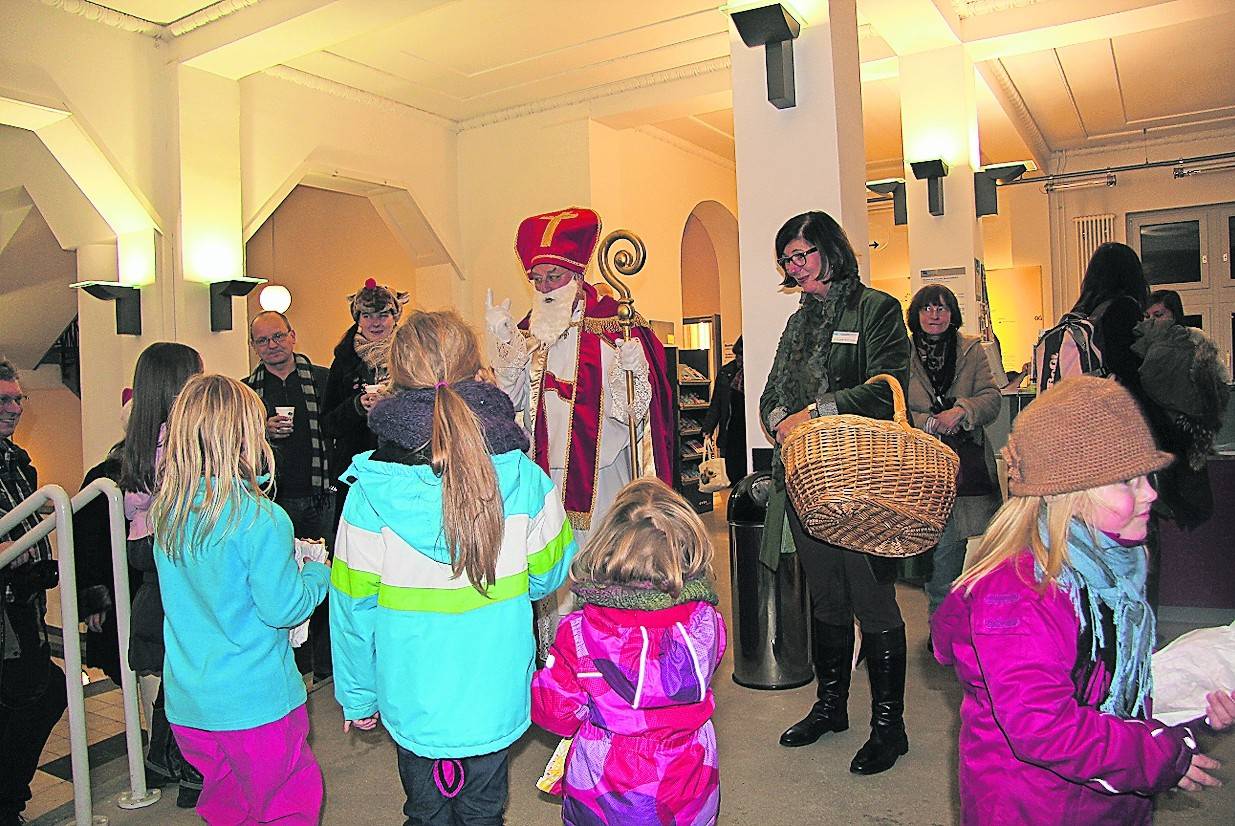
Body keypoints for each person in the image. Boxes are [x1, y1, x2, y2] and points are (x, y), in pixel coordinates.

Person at [931, 376, 1232, 824]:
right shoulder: (1019, 594)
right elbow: (1044, 728)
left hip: (1107, 799)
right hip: (1036, 808)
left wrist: (1187, 711)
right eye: (1127, 482)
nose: (1151, 493)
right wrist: (1156, 756)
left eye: (1147, 477)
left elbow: (1109, 691)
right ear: (1068, 495)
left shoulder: (1113, 569)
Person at [330, 310, 577, 825]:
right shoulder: (525, 477)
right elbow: (550, 575)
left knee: (423, 811)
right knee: (485, 811)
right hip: (493, 688)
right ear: (476, 372)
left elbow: (352, 607)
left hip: (411, 692)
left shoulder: (370, 491)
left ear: (394, 378)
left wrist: (357, 693)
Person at [758, 210, 912, 775]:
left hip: (862, 479)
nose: (796, 267)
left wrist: (815, 412)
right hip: (806, 481)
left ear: (831, 250)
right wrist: (777, 419)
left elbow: (886, 389)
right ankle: (831, 707)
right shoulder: (797, 323)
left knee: (872, 601)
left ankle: (889, 728)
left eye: (803, 255)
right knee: (826, 599)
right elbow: (770, 394)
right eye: (788, 259)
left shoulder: (876, 309)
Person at [152, 374, 330, 826]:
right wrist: (316, 573)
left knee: (227, 804)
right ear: (246, 437)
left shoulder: (169, 516)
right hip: (256, 702)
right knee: (286, 803)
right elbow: (284, 608)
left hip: (191, 703)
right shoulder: (263, 519)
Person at [531, 478, 727, 826]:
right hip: (690, 772)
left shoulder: (579, 633)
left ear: (606, 547)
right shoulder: (706, 620)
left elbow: (556, 712)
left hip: (608, 781)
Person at [120, 342, 204, 806]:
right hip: (173, 544)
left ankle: (161, 757)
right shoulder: (181, 438)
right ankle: (192, 769)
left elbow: (132, 503)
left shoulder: (138, 435)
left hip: (144, 545)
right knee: (189, 660)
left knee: (175, 663)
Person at [244, 310, 335, 680]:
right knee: (280, 580)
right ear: (254, 347)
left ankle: (325, 664)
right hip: (273, 502)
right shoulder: (247, 393)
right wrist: (260, 431)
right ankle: (294, 664)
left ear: (292, 336)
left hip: (321, 495)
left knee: (324, 577)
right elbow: (239, 446)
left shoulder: (323, 380)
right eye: (263, 340)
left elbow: (340, 427)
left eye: (278, 336)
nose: (272, 345)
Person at [905, 285, 1001, 624]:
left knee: (949, 546)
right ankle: (942, 619)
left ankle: (942, 623)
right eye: (928, 308)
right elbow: (890, 402)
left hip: (961, 464)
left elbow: (992, 398)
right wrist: (928, 422)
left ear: (953, 314)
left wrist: (961, 411)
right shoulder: (901, 352)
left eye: (942, 308)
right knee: (925, 544)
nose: (935, 315)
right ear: (916, 314)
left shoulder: (972, 350)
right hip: (918, 464)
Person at [0, 359, 68, 826]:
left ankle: (9, 802)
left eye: (18, 398)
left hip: (24, 602)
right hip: (5, 610)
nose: (15, 408)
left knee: (42, 693)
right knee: (41, 694)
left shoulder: (16, 459)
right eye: (3, 400)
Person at [1132, 289, 1230, 529]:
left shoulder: (1193, 344)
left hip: (1186, 432)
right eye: (1148, 316)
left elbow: (1215, 387)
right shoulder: (1139, 349)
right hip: (1160, 435)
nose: (1152, 322)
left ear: (1174, 315)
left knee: (1190, 498)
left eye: (1159, 315)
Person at [321, 278, 408, 530]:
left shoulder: (410, 358)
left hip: (400, 469)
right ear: (357, 319)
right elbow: (327, 423)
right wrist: (357, 405)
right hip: (355, 472)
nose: (375, 322)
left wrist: (393, 405)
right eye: (367, 315)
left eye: (383, 315)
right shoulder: (344, 361)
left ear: (395, 317)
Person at [1069, 241, 1151, 395]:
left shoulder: (1081, 310)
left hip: (1082, 397)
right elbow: (1127, 365)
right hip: (1115, 397)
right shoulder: (1124, 307)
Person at [701, 336, 747, 487]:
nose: (739, 359)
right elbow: (717, 402)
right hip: (731, 431)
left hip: (747, 432)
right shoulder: (726, 372)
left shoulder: (753, 372)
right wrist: (708, 428)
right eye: (737, 355)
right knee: (732, 474)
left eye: (742, 354)